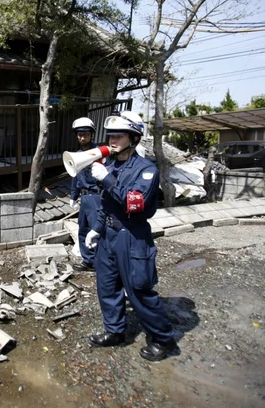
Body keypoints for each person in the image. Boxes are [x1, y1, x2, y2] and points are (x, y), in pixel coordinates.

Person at [85, 111, 177, 362]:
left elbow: (133, 203)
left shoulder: (146, 170)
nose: (112, 140)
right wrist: (96, 228)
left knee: (138, 290)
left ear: (134, 138)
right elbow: (106, 203)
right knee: (107, 285)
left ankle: (163, 339)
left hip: (132, 235)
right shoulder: (112, 165)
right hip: (109, 235)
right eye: (110, 136)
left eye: (119, 136)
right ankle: (115, 331)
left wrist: (108, 180)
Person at [68, 117, 105, 273]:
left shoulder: (100, 153)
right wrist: (73, 196)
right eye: (79, 135)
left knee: (97, 229)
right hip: (84, 197)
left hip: (97, 196)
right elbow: (75, 177)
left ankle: (102, 263)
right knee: (83, 229)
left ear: (91, 135)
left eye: (85, 134)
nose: (82, 138)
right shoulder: (76, 155)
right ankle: (88, 261)